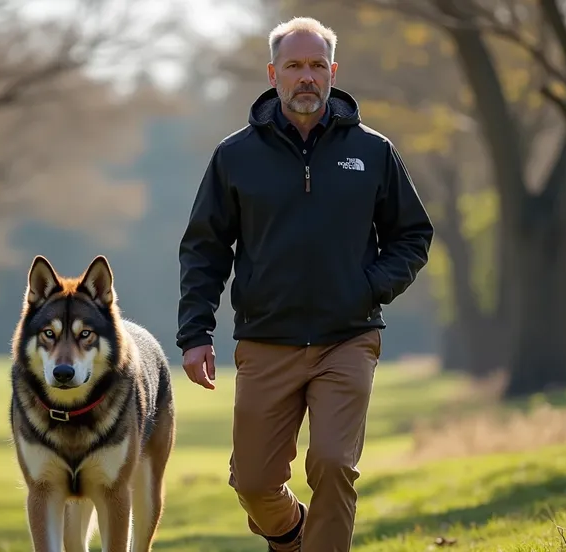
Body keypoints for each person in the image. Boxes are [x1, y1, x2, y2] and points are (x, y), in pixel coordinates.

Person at [176, 16, 433, 552]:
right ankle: (291, 532)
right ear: (273, 74)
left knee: (335, 465)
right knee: (252, 483)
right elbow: (204, 247)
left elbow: (412, 233)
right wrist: (196, 331)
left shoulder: (373, 152)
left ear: (333, 72)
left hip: (348, 337)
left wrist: (370, 287)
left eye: (317, 65)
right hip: (267, 340)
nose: (307, 76)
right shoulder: (235, 157)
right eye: (294, 65)